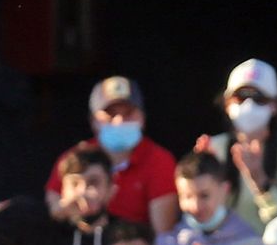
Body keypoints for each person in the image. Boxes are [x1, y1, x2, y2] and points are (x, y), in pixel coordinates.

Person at [45, 76, 178, 234]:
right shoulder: (74, 157)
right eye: (110, 114)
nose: (119, 121)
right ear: (93, 120)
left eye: (128, 113)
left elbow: (162, 235)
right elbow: (53, 212)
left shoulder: (160, 161)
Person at [197, 59, 277, 235]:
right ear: (226, 103)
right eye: (240, 97)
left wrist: (260, 182)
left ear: (275, 105)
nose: (248, 105)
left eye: (259, 98)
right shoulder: (214, 147)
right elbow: (200, 218)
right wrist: (201, 176)